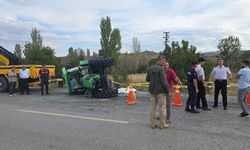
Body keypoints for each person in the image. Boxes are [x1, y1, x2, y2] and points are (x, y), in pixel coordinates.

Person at [146, 55, 170, 129]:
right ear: (160, 60)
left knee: (152, 107)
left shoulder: (150, 68)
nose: (164, 62)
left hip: (152, 91)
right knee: (162, 107)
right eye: (163, 61)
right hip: (161, 92)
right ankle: (162, 124)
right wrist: (168, 90)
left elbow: (147, 79)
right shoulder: (161, 69)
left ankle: (153, 124)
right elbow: (164, 82)